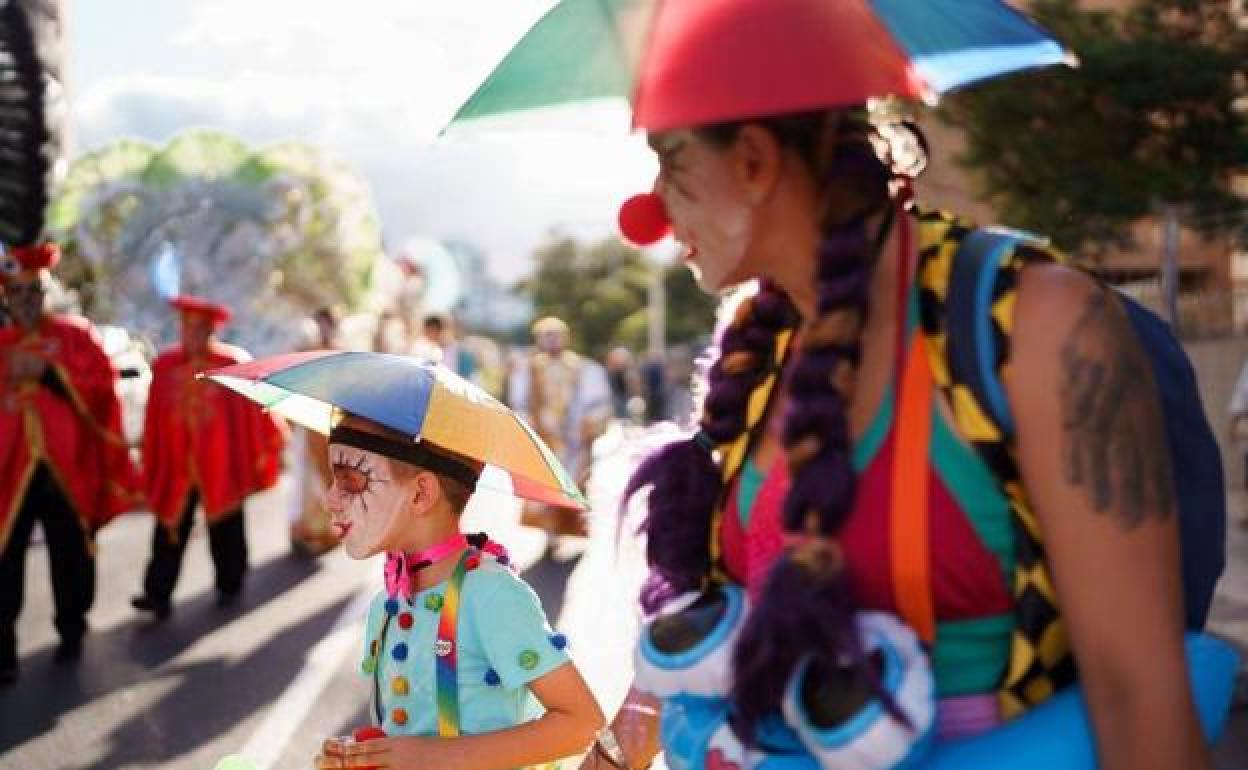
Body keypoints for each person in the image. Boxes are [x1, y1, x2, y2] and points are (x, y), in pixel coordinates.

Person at [586, 98, 1211, 770]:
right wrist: (613, 757)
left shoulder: (1038, 321)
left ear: (754, 161)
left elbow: (1137, 697)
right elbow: (721, 616)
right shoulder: (758, 341)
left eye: (670, 165)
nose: (650, 209)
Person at [314, 412, 604, 770]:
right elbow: (405, 730)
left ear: (421, 494)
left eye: (351, 482)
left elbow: (581, 723)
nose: (329, 500)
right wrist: (364, 756)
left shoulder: (491, 595)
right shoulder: (387, 603)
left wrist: (433, 756)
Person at [0, 242, 140, 684]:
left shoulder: (75, 336)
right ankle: (2, 652)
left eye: (34, 291)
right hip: (10, 469)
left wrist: (50, 375)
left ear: (46, 291)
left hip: (66, 468)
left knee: (71, 552)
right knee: (4, 557)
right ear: (5, 296)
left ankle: (71, 629)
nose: (27, 301)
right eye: (17, 292)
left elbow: (102, 389)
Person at [131, 295, 286, 619]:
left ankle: (230, 583)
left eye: (200, 327)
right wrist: (152, 457)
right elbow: (154, 418)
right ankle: (156, 593)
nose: (193, 334)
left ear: (212, 329)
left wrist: (259, 449)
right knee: (169, 527)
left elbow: (256, 412)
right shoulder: (166, 365)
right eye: (187, 327)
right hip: (178, 464)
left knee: (227, 525)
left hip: (220, 462)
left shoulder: (231, 363)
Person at [509, 317, 610, 547]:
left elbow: (598, 402)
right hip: (543, 438)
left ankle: (563, 528)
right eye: (547, 335)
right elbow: (519, 402)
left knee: (572, 485)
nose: (552, 340)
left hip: (573, 440)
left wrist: (588, 423)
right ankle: (549, 530)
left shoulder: (584, 368)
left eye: (557, 334)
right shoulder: (528, 369)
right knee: (545, 486)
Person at [289, 306, 342, 556]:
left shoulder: (340, 352)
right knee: (302, 478)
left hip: (328, 421)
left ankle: (327, 531)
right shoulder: (304, 351)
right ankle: (301, 530)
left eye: (327, 323)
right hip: (305, 418)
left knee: (326, 473)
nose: (323, 328)